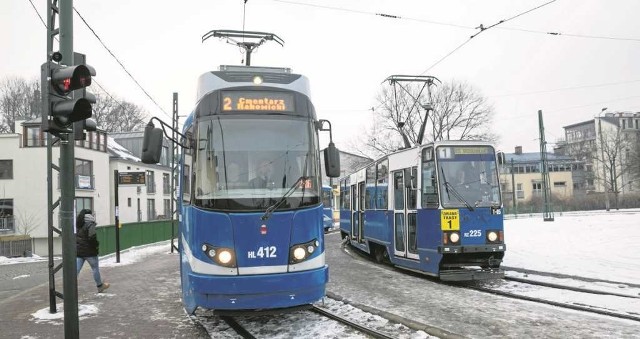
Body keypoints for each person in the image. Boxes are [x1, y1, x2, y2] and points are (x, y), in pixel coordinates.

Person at [76, 209, 110, 293]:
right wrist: (96, 245)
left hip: (79, 251)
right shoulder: (90, 224)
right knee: (95, 269)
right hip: (90, 252)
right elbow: (92, 237)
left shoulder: (78, 223)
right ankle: (100, 286)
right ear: (90, 215)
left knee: (76, 270)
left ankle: (70, 287)